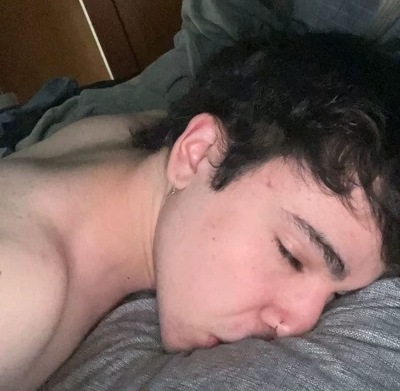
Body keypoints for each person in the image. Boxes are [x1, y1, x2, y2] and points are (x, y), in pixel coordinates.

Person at [1, 31, 400, 391]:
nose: (295, 324)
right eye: (291, 255)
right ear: (198, 152)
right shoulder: (20, 293)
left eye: (335, 297)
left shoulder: (135, 139)